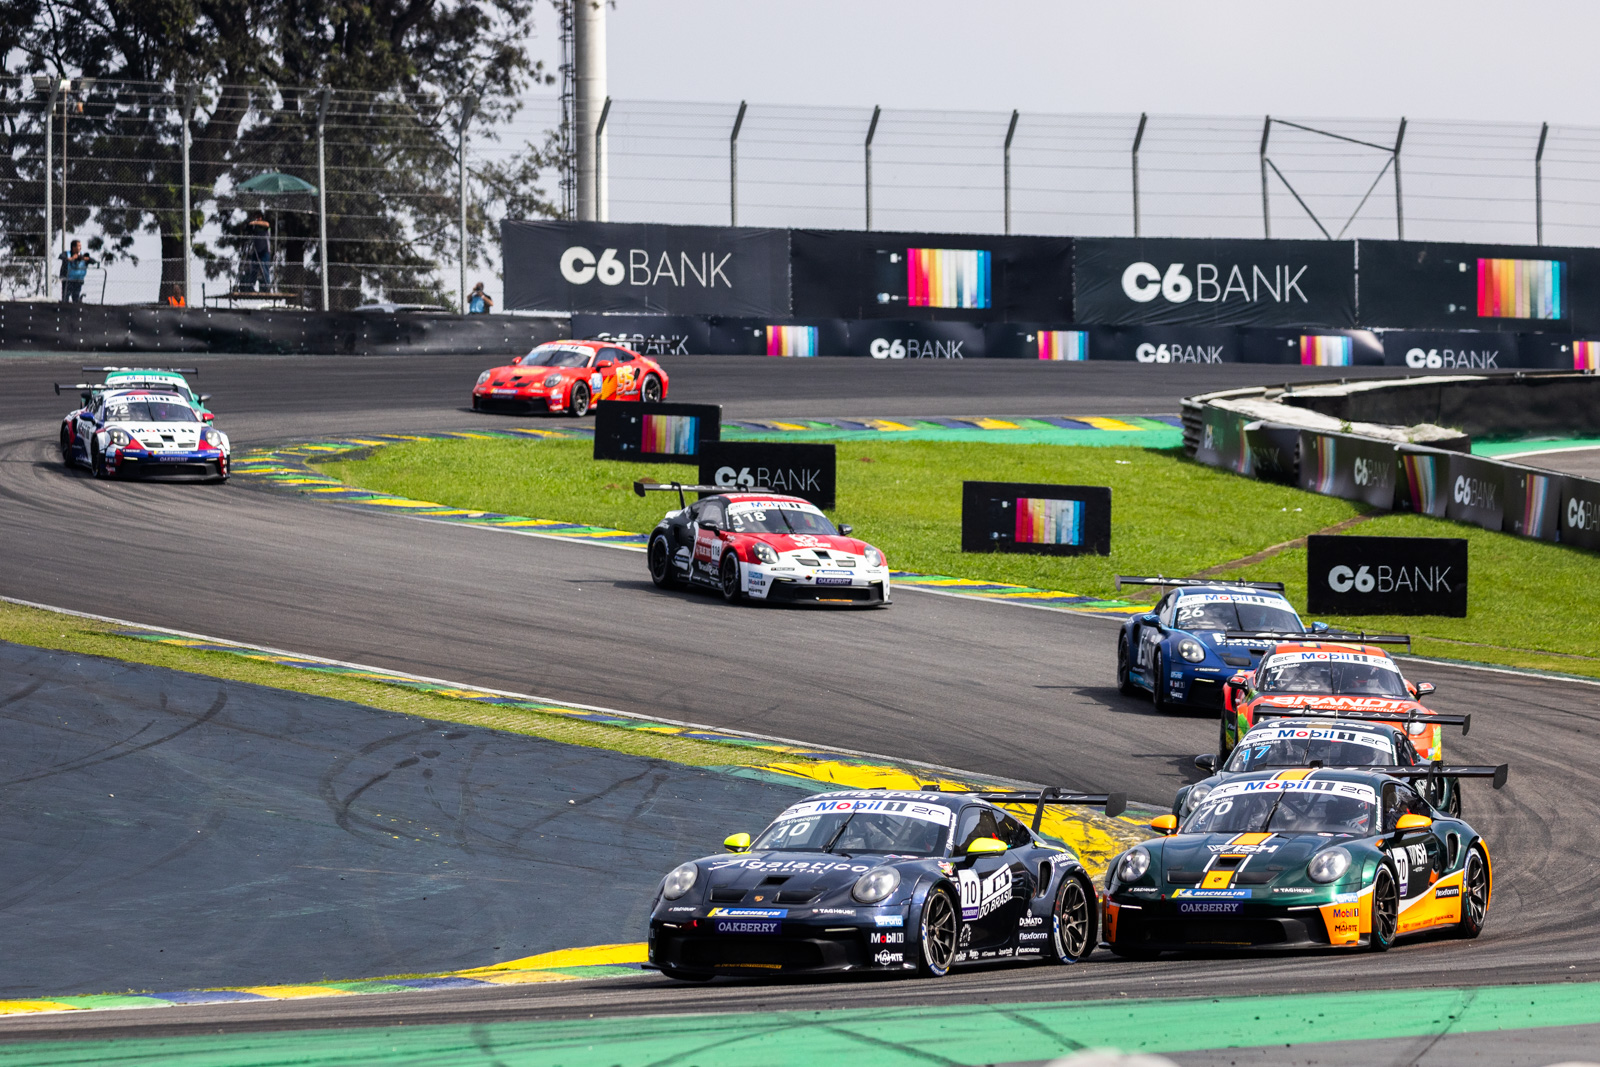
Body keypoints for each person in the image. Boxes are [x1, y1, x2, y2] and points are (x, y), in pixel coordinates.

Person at [241, 211, 272, 291]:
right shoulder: (254, 227)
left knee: (265, 269)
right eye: (256, 217)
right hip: (256, 250)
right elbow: (248, 229)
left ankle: (267, 287)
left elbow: (267, 225)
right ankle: (250, 287)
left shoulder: (264, 225)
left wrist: (254, 222)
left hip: (265, 250)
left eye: (259, 217)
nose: (257, 219)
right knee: (253, 268)